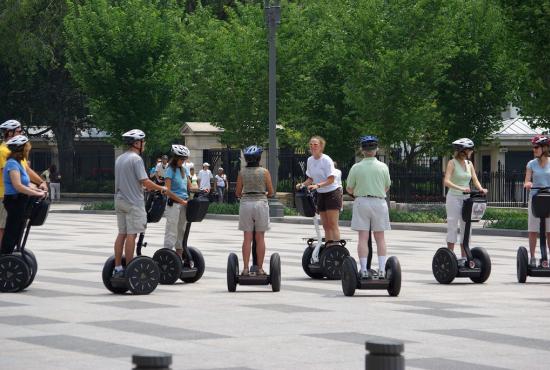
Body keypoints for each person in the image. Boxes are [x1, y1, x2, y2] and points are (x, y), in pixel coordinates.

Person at [112, 129, 167, 278]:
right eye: (143, 142)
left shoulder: (120, 158)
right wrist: (161, 187)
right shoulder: (136, 159)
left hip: (120, 200)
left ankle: (118, 267)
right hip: (133, 202)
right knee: (132, 234)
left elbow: (130, 180)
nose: (145, 144)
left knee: (121, 233)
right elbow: (146, 181)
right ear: (137, 143)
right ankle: (131, 268)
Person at [346, 136, 391, 279]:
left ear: (362, 150)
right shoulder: (383, 167)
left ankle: (364, 269)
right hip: (379, 202)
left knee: (363, 238)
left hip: (362, 202)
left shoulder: (356, 167)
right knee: (380, 237)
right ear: (376, 150)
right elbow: (386, 186)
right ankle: (383, 270)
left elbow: (349, 188)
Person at [0, 120, 48, 244]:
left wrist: (40, 182)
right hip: (5, 194)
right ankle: (4, 258)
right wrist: (32, 188)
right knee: (4, 229)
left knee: (15, 228)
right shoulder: (3, 152)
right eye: (19, 131)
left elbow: (26, 169)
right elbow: (13, 177)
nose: (22, 133)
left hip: (18, 194)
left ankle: (9, 256)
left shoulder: (15, 152)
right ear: (9, 133)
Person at [296, 136, 342, 262]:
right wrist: (302, 184)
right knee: (326, 225)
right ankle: (328, 248)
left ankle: (336, 250)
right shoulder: (310, 160)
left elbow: (331, 179)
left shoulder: (326, 160)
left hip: (332, 192)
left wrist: (317, 185)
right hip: (321, 194)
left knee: (333, 224)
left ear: (321, 146)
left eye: (315, 144)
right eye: (311, 144)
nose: (312, 147)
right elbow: (310, 179)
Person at [443, 138, 487, 265]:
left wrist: (481, 189)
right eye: (470, 150)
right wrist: (461, 188)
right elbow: (446, 181)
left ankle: (463, 258)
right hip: (454, 198)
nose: (472, 152)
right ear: (464, 151)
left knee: (466, 227)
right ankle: (450, 257)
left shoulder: (469, 164)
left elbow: (475, 179)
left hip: (467, 199)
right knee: (452, 226)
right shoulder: (452, 163)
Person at [236, 145, 274, 276]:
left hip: (246, 203)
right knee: (260, 237)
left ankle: (245, 268)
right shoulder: (264, 172)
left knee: (247, 238)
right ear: (259, 158)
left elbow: (237, 192)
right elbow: (271, 191)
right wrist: (265, 194)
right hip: (260, 203)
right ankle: (260, 268)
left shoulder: (242, 172)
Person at [523, 135, 550, 267]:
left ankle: (547, 257)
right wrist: (528, 184)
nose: (534, 150)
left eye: (536, 147)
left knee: (549, 231)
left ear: (544, 148)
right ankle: (532, 257)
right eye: (533, 147)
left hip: (549, 199)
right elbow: (527, 180)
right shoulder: (531, 164)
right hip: (535, 199)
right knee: (533, 230)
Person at [163, 145, 193, 259]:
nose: (183, 161)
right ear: (175, 158)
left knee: (181, 230)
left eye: (184, 159)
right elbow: (167, 191)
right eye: (181, 159)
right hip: (174, 204)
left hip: (184, 204)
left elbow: (190, 187)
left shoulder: (184, 170)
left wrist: (201, 190)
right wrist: (181, 201)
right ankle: (167, 255)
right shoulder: (170, 170)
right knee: (172, 230)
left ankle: (179, 256)